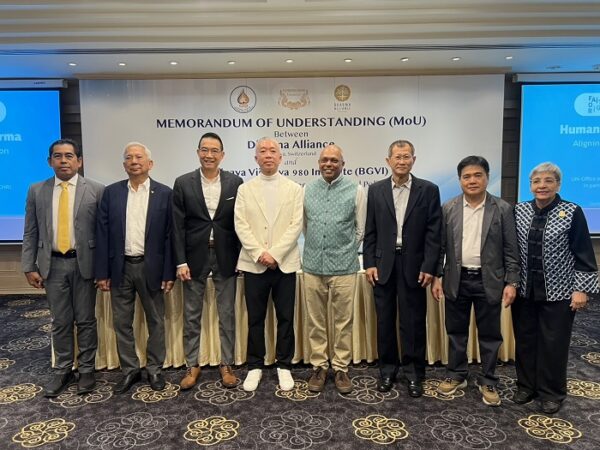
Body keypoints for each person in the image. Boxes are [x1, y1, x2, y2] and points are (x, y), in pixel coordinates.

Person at [431, 156, 520, 406]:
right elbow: (440, 247)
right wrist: (437, 276)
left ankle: (488, 379)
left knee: (490, 334)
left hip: (489, 280)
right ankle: (456, 374)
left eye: (477, 175)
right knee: (456, 331)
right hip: (456, 279)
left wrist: (512, 282)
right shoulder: (448, 207)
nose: (472, 180)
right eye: (466, 176)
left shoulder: (502, 209)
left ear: (487, 178)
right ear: (460, 180)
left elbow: (511, 250)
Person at [512, 162, 599, 414]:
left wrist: (581, 289)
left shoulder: (571, 211)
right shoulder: (520, 210)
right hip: (525, 291)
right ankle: (526, 386)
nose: (542, 186)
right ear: (530, 185)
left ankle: (551, 392)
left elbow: (583, 252)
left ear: (558, 185)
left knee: (554, 344)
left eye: (548, 181)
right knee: (526, 341)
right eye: (537, 181)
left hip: (559, 291)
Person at [22, 138, 104, 397]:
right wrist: (28, 265)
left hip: (85, 264)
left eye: (69, 156)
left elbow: (103, 234)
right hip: (53, 265)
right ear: (50, 161)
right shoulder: (37, 190)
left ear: (79, 161)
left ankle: (87, 369)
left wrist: (103, 269)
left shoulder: (96, 190)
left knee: (86, 320)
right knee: (60, 321)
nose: (63, 161)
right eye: (58, 156)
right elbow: (30, 231)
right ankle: (63, 370)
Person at [363, 139, 441, 397]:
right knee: (384, 321)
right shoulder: (376, 190)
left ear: (413, 160)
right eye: (397, 157)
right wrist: (369, 263)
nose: (402, 161)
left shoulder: (428, 190)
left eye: (406, 156)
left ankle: (414, 374)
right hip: (383, 265)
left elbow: (434, 233)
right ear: (388, 161)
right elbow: (371, 230)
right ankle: (387, 371)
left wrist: (430, 266)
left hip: (415, 266)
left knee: (413, 322)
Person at [95, 142, 175, 394]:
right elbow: (103, 234)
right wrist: (102, 272)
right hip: (120, 268)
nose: (134, 161)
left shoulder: (165, 193)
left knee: (156, 322)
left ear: (150, 164)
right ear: (124, 165)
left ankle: (154, 369)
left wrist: (169, 272)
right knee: (122, 322)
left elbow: (170, 236)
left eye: (139, 157)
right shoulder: (111, 193)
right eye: (129, 158)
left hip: (152, 268)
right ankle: (130, 370)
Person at [172, 132, 243, 389]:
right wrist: (180, 261)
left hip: (227, 255)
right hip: (194, 257)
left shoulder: (235, 182)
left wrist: (241, 257)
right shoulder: (183, 182)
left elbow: (240, 223)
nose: (209, 155)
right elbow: (177, 226)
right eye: (204, 150)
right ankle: (192, 364)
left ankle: (227, 364)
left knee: (227, 314)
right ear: (198, 152)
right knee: (192, 314)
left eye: (214, 151)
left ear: (222, 155)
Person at [234, 137, 303, 392]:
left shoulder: (294, 189)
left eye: (273, 151)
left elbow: (296, 225)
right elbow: (240, 224)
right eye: (262, 151)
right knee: (255, 318)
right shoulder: (245, 189)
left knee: (285, 317)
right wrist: (260, 253)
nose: (268, 155)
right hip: (254, 264)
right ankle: (255, 365)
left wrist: (275, 254)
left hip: (284, 264)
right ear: (256, 158)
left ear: (280, 157)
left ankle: (284, 365)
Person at [303, 144, 366, 394]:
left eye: (334, 160)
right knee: (315, 321)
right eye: (324, 160)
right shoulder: (307, 189)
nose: (328, 164)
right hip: (312, 266)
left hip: (344, 266)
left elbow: (360, 229)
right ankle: (319, 366)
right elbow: (306, 226)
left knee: (343, 322)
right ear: (319, 163)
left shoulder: (356, 190)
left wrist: (345, 250)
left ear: (342, 164)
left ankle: (341, 368)